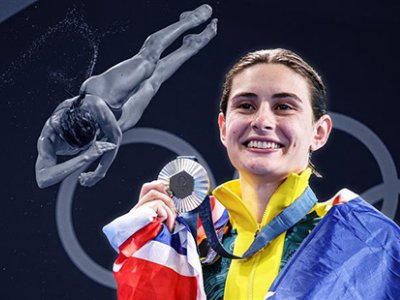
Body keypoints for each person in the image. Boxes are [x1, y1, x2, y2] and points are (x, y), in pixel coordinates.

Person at [103, 49, 400, 299]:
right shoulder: (189, 250)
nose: (262, 120)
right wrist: (150, 250)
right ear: (223, 127)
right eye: (246, 105)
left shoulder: (363, 242)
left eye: (284, 106)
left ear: (318, 133)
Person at [35, 4, 217, 188]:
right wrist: (88, 157)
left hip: (104, 95)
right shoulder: (48, 138)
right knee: (153, 82)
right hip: (113, 126)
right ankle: (192, 45)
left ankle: (190, 20)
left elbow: (114, 136)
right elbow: (42, 179)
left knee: (148, 59)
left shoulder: (94, 104)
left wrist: (99, 171)